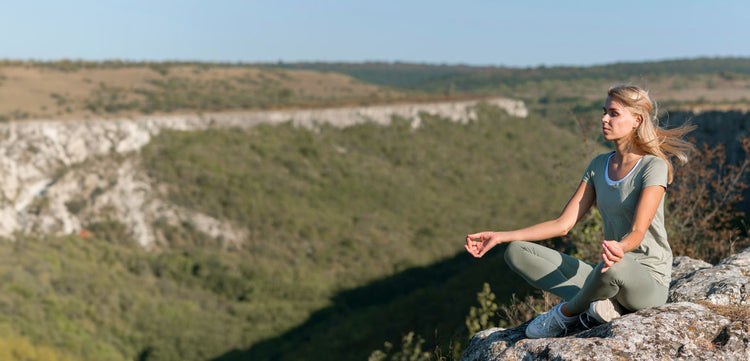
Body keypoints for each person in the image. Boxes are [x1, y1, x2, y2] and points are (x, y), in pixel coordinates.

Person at [464, 85, 695, 338]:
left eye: (614, 113)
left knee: (615, 266)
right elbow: (563, 224)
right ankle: (602, 305)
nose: (604, 119)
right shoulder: (598, 165)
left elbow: (639, 231)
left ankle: (566, 314)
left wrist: (621, 248)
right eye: (604, 111)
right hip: (608, 272)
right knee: (517, 251)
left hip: (647, 280)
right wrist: (500, 236)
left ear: (636, 121)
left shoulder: (653, 166)